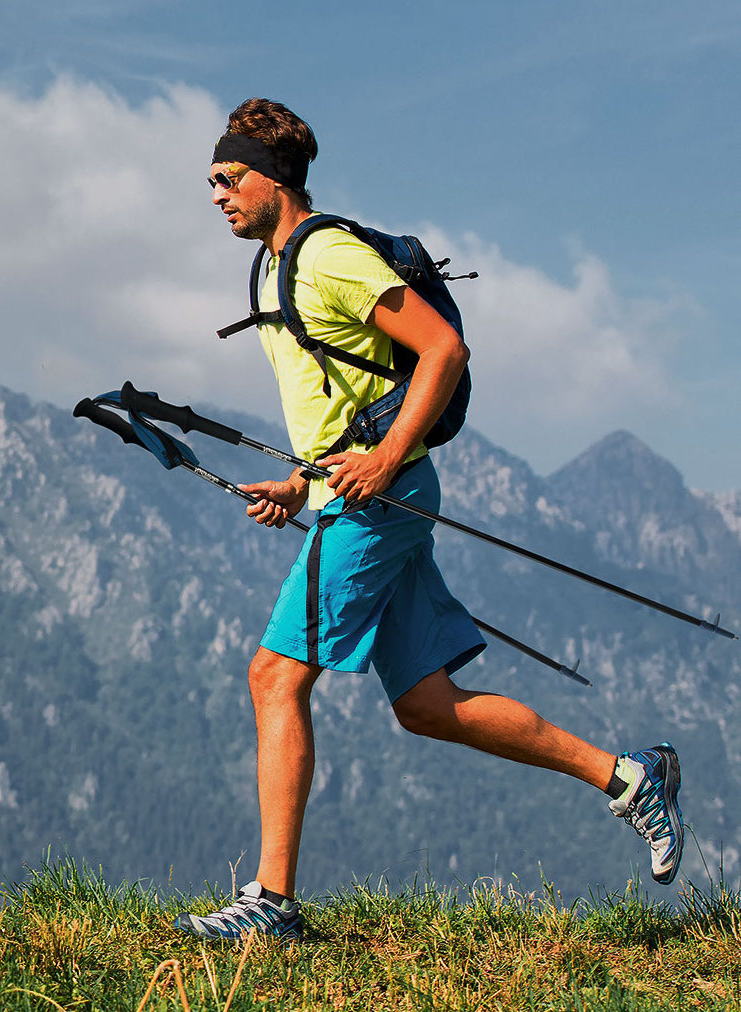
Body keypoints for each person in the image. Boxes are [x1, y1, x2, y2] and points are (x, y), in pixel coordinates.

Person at [172, 98, 684, 942]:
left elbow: (445, 350)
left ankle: (271, 905)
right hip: (359, 492)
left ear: (276, 177)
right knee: (426, 704)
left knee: (274, 676)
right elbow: (341, 400)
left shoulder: (326, 255)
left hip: (384, 497)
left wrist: (381, 459)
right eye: (212, 181)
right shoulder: (269, 268)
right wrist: (304, 483)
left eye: (229, 177)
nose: (217, 194)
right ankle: (630, 778)